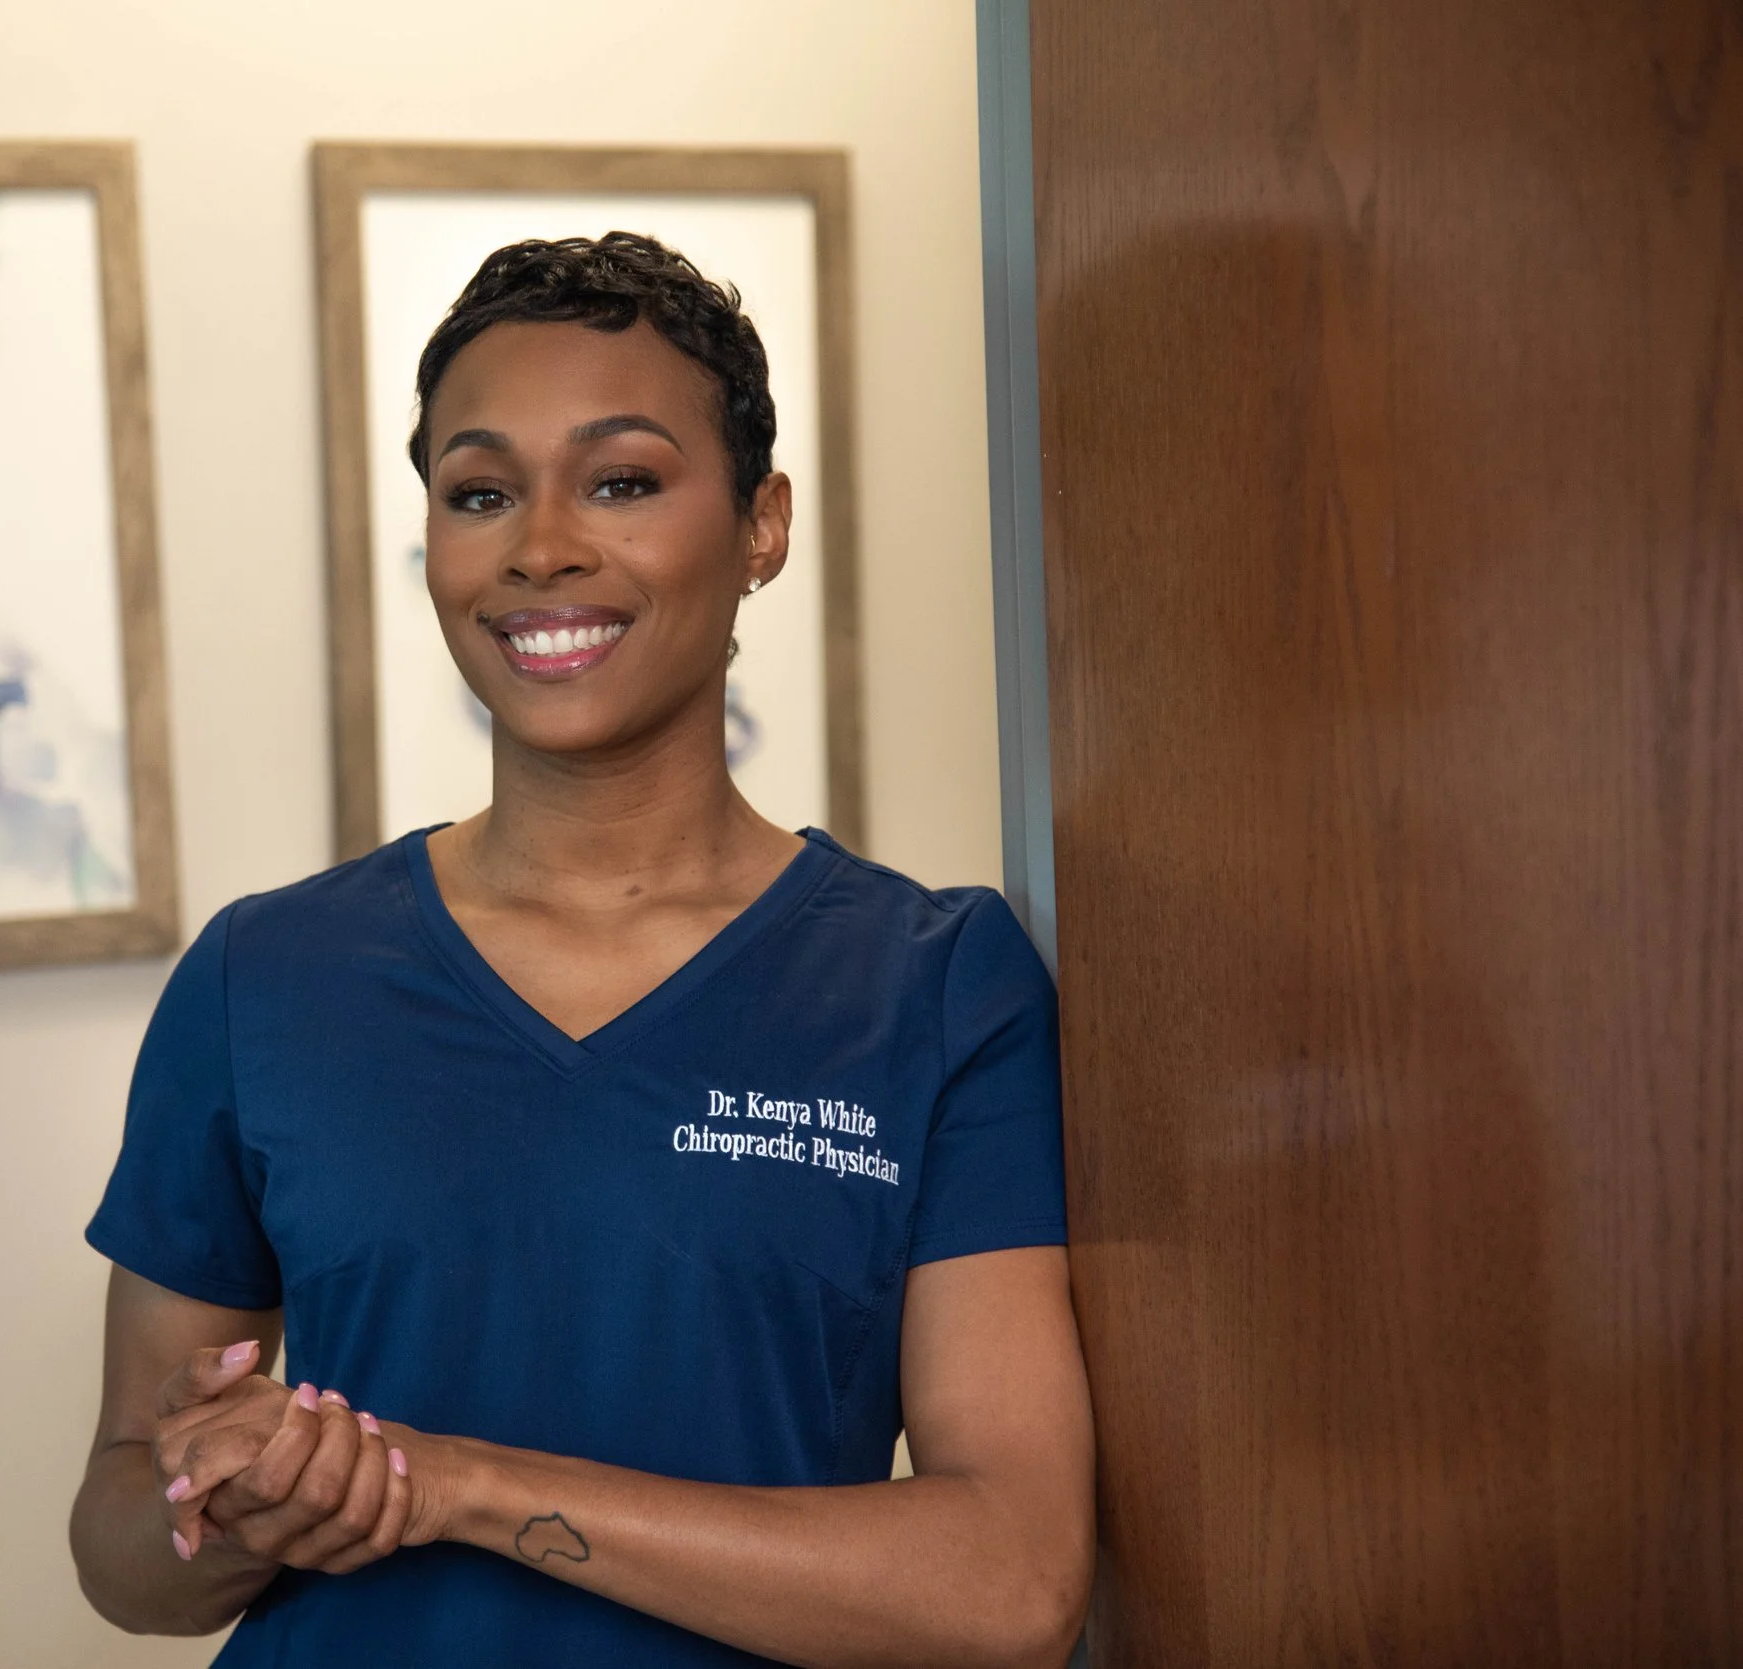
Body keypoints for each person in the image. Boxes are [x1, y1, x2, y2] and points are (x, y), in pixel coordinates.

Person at [68, 233, 1094, 1667]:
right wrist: (241, 1503)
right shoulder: (265, 978)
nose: (539, 545)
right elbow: (122, 1541)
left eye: (622, 480)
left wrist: (459, 1487)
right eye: (479, 492)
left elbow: (1011, 1584)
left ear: (761, 526)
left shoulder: (936, 983)